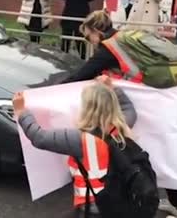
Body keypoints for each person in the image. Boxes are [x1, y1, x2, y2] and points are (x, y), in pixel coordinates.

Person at [60, 13, 177, 218]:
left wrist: (49, 91)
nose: (88, 42)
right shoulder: (124, 37)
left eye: (87, 36)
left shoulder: (109, 48)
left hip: (151, 110)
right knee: (172, 164)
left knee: (145, 164)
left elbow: (82, 74)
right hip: (166, 104)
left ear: (97, 32)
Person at [13, 77, 137, 217]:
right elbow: (128, 108)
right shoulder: (122, 128)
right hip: (121, 203)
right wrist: (113, 89)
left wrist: (21, 111)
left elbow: (39, 138)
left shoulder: (79, 139)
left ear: (87, 109)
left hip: (92, 209)